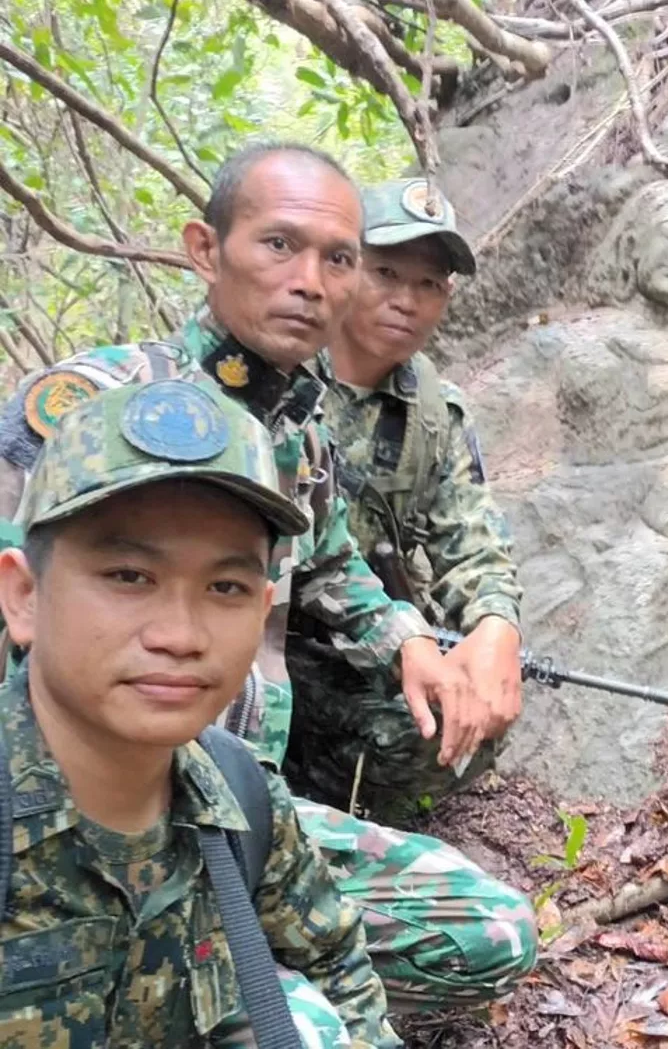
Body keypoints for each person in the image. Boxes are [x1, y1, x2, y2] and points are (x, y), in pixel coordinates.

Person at [0, 143, 531, 1014]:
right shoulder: (98, 403)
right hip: (67, 823)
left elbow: (326, 561)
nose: (311, 281)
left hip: (242, 802)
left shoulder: (301, 429)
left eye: (338, 260)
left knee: (492, 931)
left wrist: (408, 641)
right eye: (279, 246)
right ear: (205, 251)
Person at [0, 380, 399, 1048]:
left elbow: (336, 964)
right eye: (129, 576)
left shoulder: (237, 792)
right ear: (24, 597)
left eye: (225, 587)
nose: (180, 635)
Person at [282, 177, 539, 1009]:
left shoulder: (430, 411)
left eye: (430, 284)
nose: (408, 300)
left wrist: (494, 626)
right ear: (347, 268)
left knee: (458, 720)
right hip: (259, 649)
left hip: (364, 660)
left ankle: (330, 814)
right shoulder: (279, 369)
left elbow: (472, 536)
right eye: (389, 273)